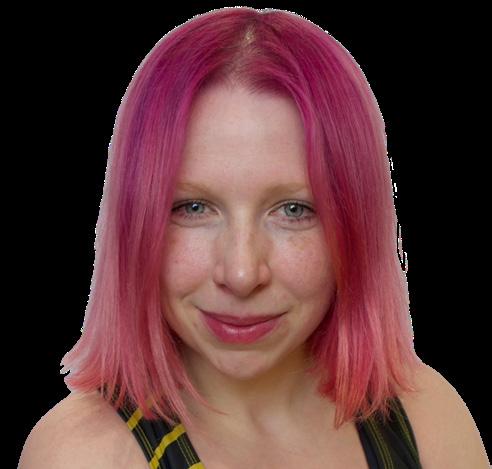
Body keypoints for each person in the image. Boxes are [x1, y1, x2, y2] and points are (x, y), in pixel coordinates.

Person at [19, 7, 489, 469]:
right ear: (135, 224)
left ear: (356, 227)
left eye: (294, 210)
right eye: (193, 208)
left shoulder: (425, 419)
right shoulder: (85, 457)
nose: (242, 274)